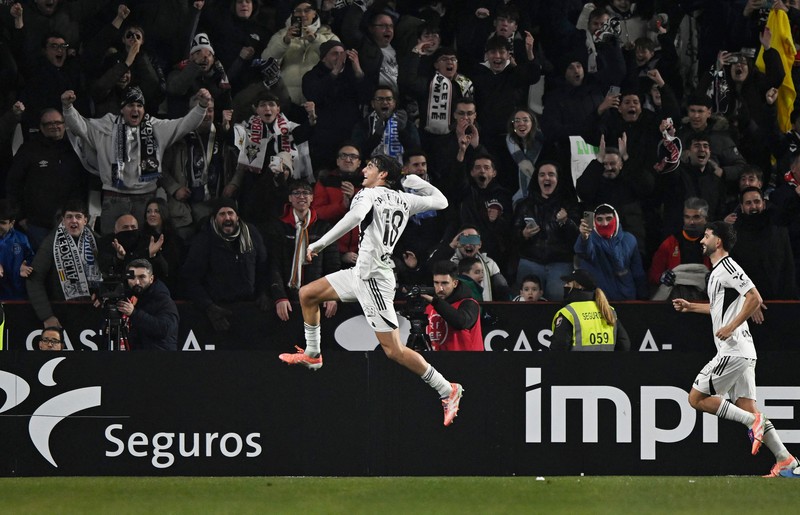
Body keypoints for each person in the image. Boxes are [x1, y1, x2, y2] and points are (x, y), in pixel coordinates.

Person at [278, 155, 464, 427]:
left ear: (383, 175)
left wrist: (319, 244)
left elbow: (354, 218)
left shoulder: (368, 194)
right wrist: (415, 182)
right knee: (308, 294)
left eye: (370, 167)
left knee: (394, 351)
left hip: (375, 280)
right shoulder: (404, 199)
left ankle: (447, 389)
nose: (364, 170)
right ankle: (313, 354)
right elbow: (441, 201)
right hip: (361, 273)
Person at [672, 221, 800, 478]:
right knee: (749, 409)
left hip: (733, 350)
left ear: (718, 241)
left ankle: (752, 423)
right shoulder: (718, 272)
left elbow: (755, 297)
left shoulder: (728, 267)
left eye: (706, 236)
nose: (701, 240)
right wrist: (691, 307)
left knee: (695, 398)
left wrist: (731, 326)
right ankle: (787, 461)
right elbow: (719, 308)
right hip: (742, 351)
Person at [61, 87, 213, 234]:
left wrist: (202, 106)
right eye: (130, 105)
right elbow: (80, 126)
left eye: (139, 105)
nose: (135, 109)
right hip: (114, 199)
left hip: (146, 201)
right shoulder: (106, 127)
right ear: (122, 109)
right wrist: (68, 108)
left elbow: (184, 124)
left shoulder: (156, 127)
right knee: (111, 246)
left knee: (144, 247)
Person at [264, 180, 340, 322]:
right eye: (296, 193)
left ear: (312, 198)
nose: (301, 197)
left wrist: (331, 294)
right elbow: (274, 265)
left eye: (306, 193)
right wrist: (280, 297)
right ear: (290, 198)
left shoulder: (324, 228)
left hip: (317, 300)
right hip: (288, 301)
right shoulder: (278, 227)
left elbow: (332, 266)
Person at [25, 200, 102, 328]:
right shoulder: (50, 243)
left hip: (93, 312)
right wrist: (47, 316)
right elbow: (34, 279)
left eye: (78, 216)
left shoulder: (97, 241)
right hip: (62, 314)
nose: (74, 221)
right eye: (69, 216)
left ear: (85, 220)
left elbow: (108, 274)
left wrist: (102, 292)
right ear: (63, 220)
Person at [574, 203, 648, 301]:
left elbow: (637, 271)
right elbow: (583, 252)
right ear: (594, 221)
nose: (605, 223)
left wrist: (644, 297)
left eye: (608, 218)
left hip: (626, 299)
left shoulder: (629, 239)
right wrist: (584, 237)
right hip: (597, 301)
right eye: (599, 219)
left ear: (616, 219)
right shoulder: (589, 239)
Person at [550, 268, 630, 351]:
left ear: (579, 285)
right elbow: (624, 345)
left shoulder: (569, 313)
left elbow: (558, 349)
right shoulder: (608, 310)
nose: (565, 286)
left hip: (577, 364)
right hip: (607, 363)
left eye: (568, 283)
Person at [648, 197, 711, 301]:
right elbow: (653, 274)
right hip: (675, 298)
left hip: (704, 298)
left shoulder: (714, 244)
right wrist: (662, 277)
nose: (691, 222)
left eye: (696, 217)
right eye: (687, 217)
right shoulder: (669, 244)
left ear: (706, 219)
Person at [416, 260, 483, 352]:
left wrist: (435, 302)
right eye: (436, 283)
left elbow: (460, 322)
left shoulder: (469, 304)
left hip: (467, 363)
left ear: (455, 283)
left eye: (444, 283)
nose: (440, 288)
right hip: (437, 362)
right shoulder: (429, 306)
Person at [115, 258, 178, 351]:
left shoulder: (162, 299)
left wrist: (134, 313)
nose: (136, 282)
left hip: (159, 358)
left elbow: (164, 329)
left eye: (142, 277)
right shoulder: (128, 297)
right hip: (134, 358)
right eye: (132, 277)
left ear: (151, 279)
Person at [0, 199, 35, 300]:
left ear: (12, 223)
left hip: (18, 295)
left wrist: (26, 266)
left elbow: (31, 258)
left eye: (2, 223)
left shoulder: (21, 239)